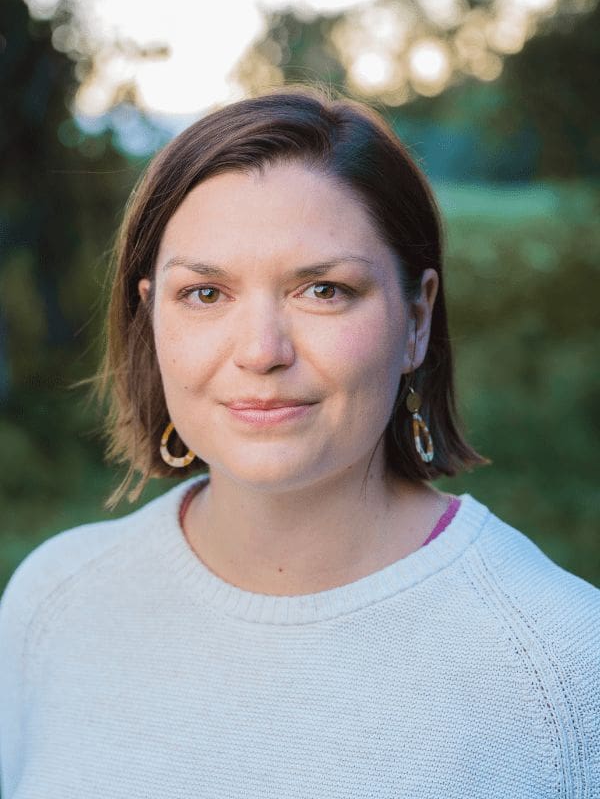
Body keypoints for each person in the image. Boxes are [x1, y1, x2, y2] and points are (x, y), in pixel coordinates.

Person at [0, 86, 598, 798]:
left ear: (416, 317)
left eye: (323, 290)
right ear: (150, 315)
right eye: (205, 294)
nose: (261, 351)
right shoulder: (53, 601)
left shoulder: (562, 667)